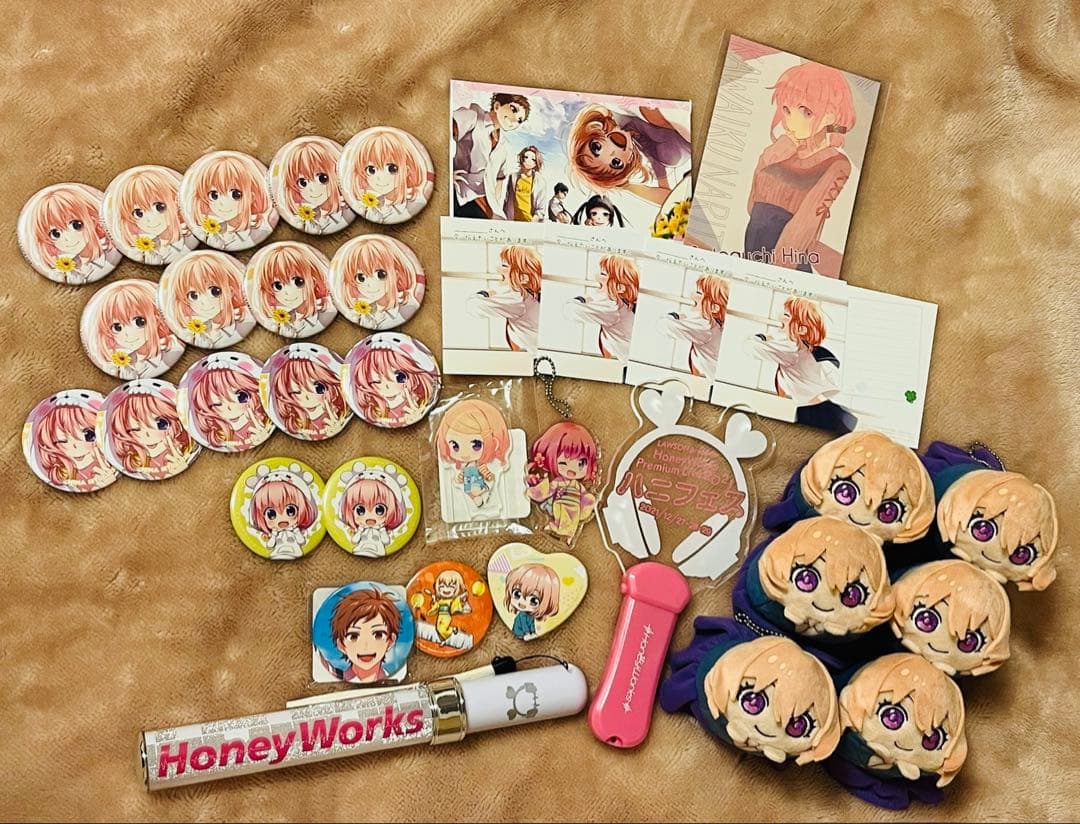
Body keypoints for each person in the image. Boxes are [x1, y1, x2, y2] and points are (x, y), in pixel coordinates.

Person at [452, 91, 531, 218]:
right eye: (513, 110)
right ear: (497, 106)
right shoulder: (473, 116)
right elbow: (444, 133)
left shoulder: (504, 147)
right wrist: (448, 173)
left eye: (519, 120)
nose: (514, 120)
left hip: (483, 204)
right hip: (458, 194)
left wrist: (496, 204)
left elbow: (500, 179)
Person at [502, 146, 545, 222]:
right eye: (526, 157)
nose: (529, 161)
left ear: (536, 163)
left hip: (530, 222)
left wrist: (533, 222)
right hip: (513, 221)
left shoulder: (540, 181)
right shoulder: (513, 177)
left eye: (533, 159)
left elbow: (541, 208)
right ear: (522, 158)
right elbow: (507, 200)